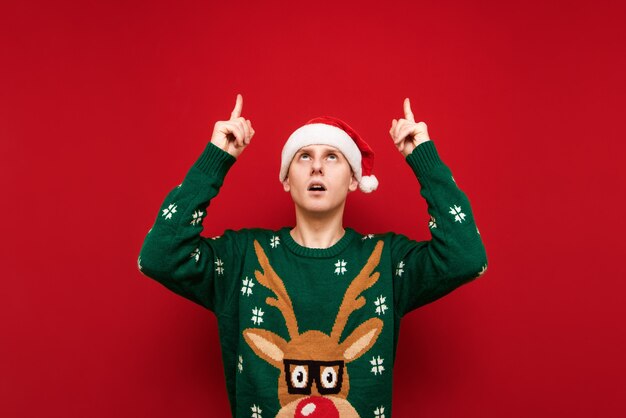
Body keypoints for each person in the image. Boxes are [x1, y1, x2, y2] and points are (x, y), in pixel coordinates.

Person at [137, 94, 488, 417]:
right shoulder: (243, 257)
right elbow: (160, 255)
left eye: (331, 157)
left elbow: (465, 257)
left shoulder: (384, 260)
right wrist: (216, 159)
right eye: (304, 156)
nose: (317, 167)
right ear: (287, 179)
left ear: (354, 179)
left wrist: (423, 159)